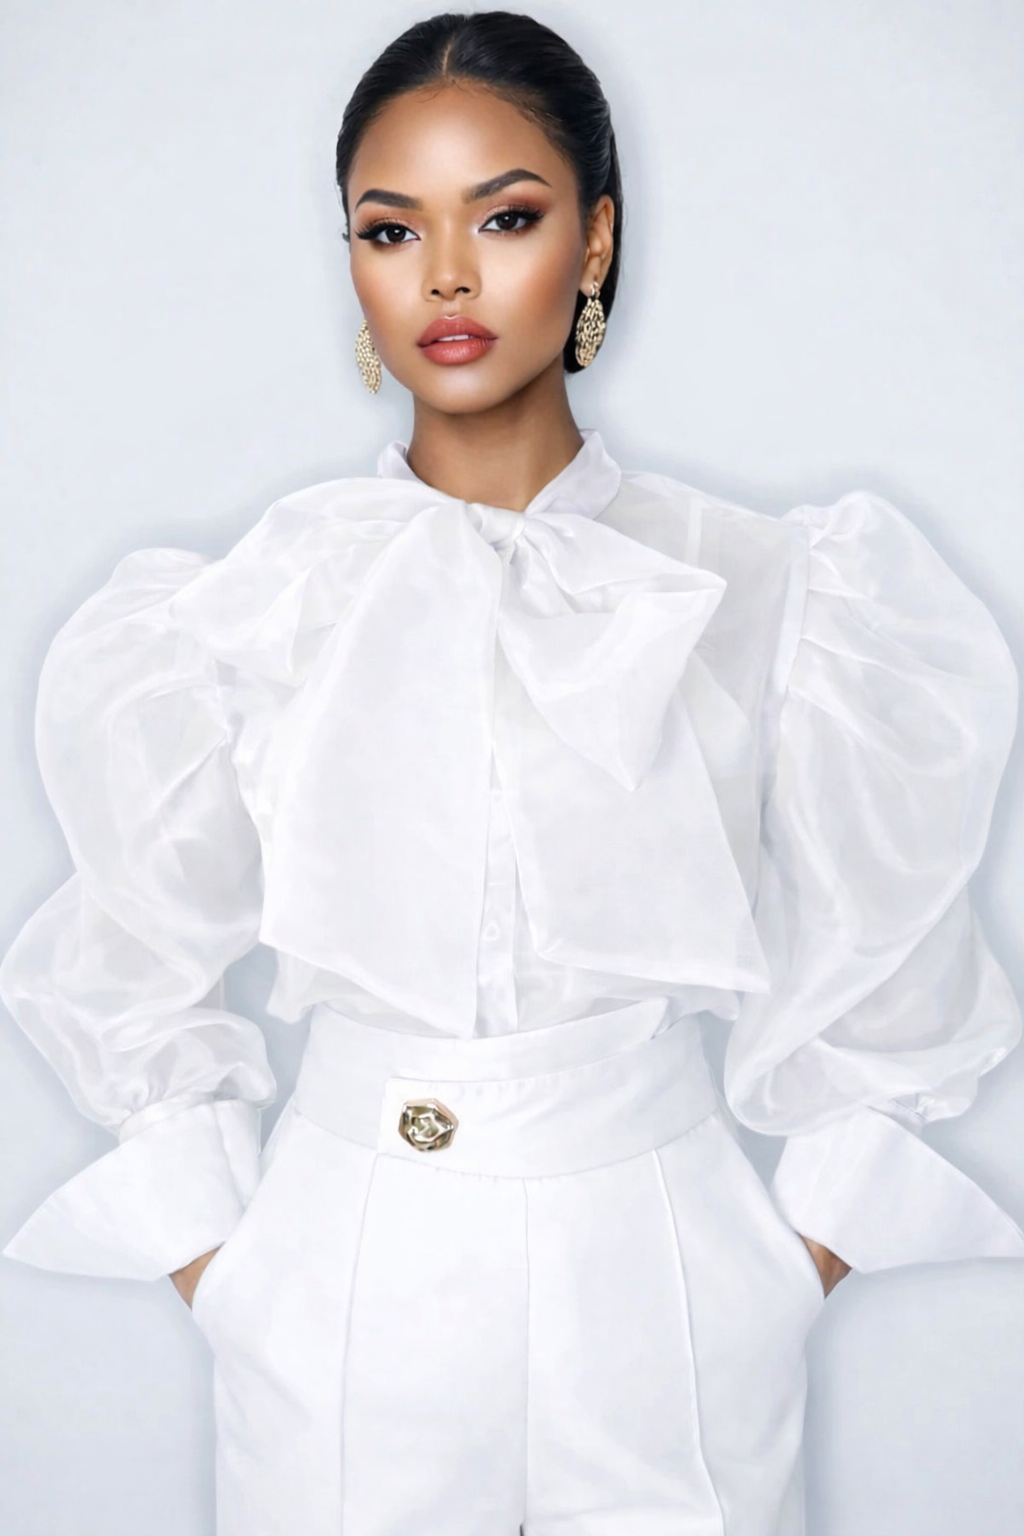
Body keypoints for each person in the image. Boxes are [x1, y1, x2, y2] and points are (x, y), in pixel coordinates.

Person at [2, 11, 1022, 1535]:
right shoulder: (254, 603)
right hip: (348, 1255)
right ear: (349, 258)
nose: (450, 278)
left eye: (510, 216)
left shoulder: (773, 587)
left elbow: (897, 948)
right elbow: (133, 955)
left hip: (664, 1257)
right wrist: (234, 1266)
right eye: (391, 228)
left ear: (596, 238)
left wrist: (781, 1262)